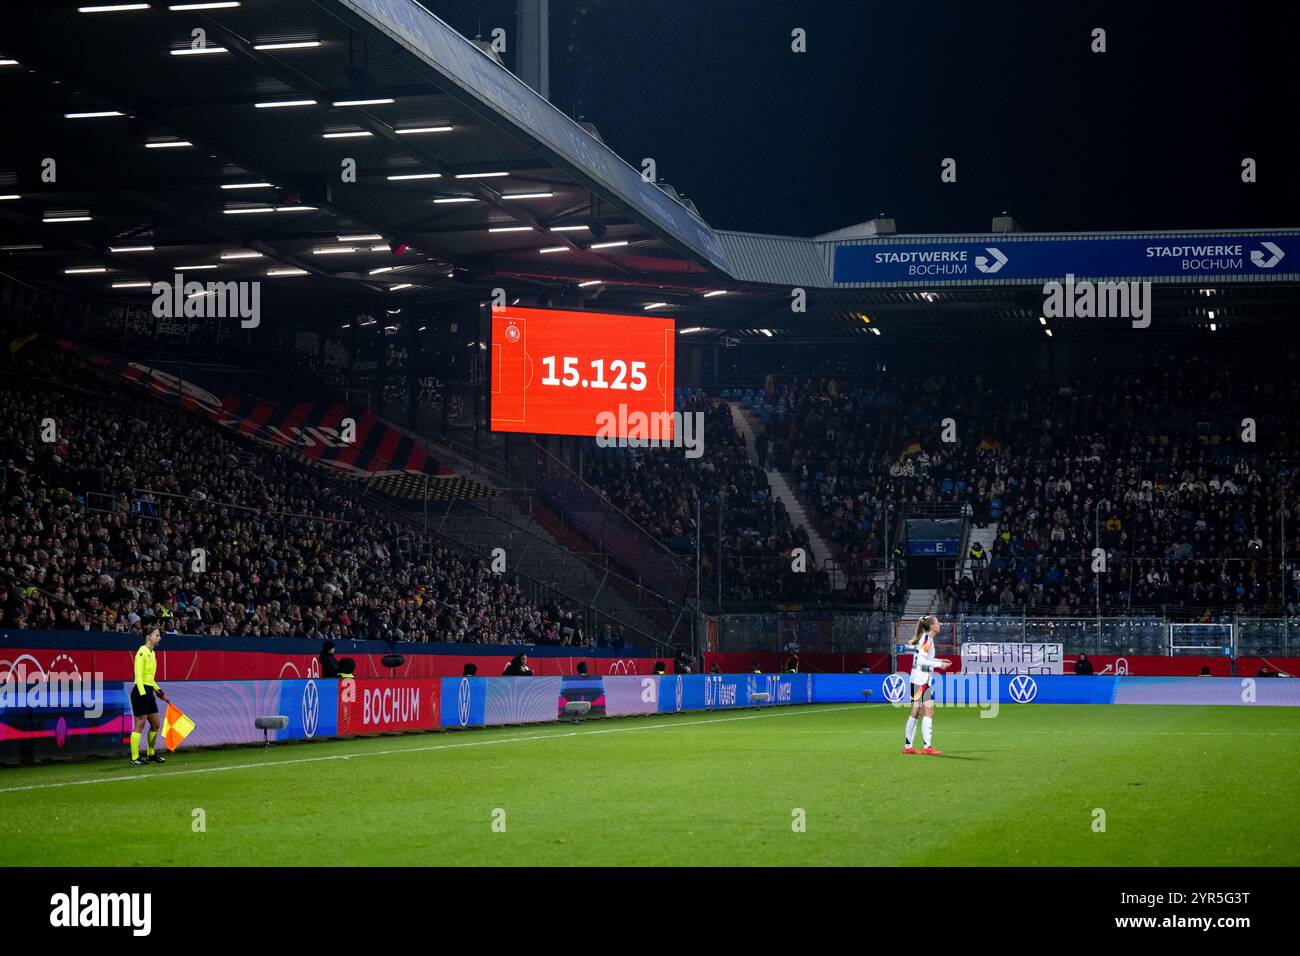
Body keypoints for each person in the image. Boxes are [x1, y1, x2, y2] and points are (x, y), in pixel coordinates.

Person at [902, 614, 950, 756]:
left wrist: (940, 660)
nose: (939, 624)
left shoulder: (927, 639)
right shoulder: (927, 640)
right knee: (928, 711)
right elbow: (922, 661)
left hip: (918, 679)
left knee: (916, 712)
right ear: (932, 626)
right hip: (921, 680)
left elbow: (925, 659)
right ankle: (927, 746)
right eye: (937, 623)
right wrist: (940, 664)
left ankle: (908, 746)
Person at [129, 626, 167, 766]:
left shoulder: (152, 653)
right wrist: (143, 693)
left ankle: (151, 754)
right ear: (148, 637)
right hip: (140, 692)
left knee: (156, 724)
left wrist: (158, 690)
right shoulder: (142, 651)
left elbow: (149, 678)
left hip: (148, 690)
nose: (159, 637)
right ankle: (134, 758)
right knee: (140, 724)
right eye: (156, 635)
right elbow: (138, 675)